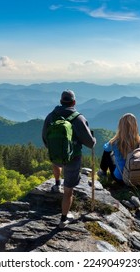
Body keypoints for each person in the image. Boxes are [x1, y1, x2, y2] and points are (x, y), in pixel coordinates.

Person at [42, 89, 96, 228]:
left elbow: (44, 137)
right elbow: (90, 143)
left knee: (56, 163)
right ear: (74, 102)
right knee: (69, 191)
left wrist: (53, 148)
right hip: (73, 158)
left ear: (60, 102)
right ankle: (63, 219)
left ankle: (56, 183)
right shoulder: (78, 118)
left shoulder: (50, 116)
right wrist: (94, 139)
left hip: (55, 157)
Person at [97, 113, 140, 184]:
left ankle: (103, 172)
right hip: (136, 178)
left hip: (120, 178)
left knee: (108, 153)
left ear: (121, 126)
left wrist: (111, 141)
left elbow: (106, 148)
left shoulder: (116, 141)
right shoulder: (139, 141)